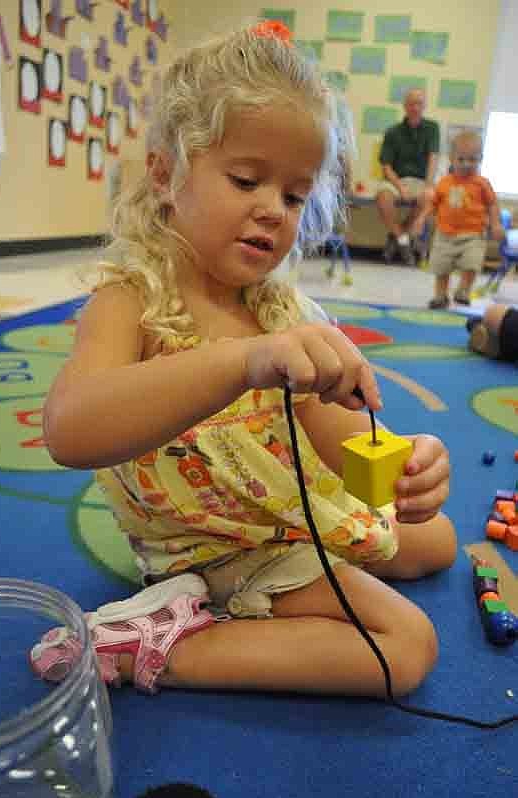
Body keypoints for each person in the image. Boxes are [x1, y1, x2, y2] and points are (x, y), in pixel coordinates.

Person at [30, 21, 456, 699]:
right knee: (403, 648)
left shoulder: (278, 311)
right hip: (214, 543)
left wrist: (407, 460)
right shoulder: (131, 300)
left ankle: (262, 591)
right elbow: (69, 431)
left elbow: (339, 442)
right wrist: (240, 362)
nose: (271, 211)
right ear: (166, 174)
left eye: (292, 195)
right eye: (246, 179)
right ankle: (155, 646)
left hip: (277, 505)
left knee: (435, 538)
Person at [413, 131, 505, 309]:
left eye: (472, 160)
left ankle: (463, 290)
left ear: (480, 159)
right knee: (441, 268)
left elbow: (492, 204)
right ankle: (440, 296)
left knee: (472, 264)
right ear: (451, 159)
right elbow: (433, 204)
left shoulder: (482, 183)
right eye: (461, 159)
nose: (466, 164)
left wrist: (495, 224)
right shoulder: (444, 183)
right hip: (445, 235)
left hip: (473, 235)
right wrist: (420, 219)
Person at [376, 89, 440, 266]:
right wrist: (400, 187)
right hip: (396, 180)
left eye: (419, 103)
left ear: (424, 106)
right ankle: (403, 239)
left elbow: (433, 158)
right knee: (383, 197)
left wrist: (428, 185)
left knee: (430, 196)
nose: (415, 107)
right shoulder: (392, 132)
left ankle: (399, 237)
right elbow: (386, 166)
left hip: (421, 181)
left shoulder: (433, 128)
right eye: (411, 103)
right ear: (405, 106)